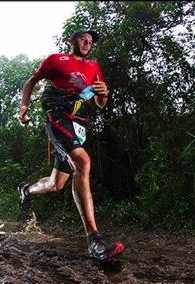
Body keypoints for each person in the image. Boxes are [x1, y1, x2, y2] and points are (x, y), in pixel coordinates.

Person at [17, 28, 125, 262]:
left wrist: (104, 93)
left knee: (56, 184)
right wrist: (23, 107)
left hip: (78, 122)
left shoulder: (94, 67)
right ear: (72, 40)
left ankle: (27, 190)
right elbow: (31, 82)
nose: (87, 43)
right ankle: (94, 241)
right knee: (82, 161)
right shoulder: (56, 59)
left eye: (90, 41)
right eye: (82, 39)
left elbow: (100, 102)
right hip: (56, 113)